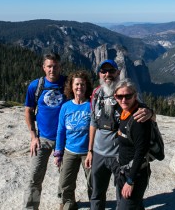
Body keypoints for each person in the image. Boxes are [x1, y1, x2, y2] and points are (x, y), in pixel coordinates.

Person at [85, 59, 154, 210]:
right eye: (104, 71)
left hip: (119, 156)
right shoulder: (97, 93)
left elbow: (143, 110)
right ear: (100, 74)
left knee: (122, 195)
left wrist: (150, 112)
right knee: (96, 192)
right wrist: (90, 150)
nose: (107, 74)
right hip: (98, 153)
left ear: (117, 73)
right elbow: (93, 122)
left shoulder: (125, 92)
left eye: (111, 71)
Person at [23, 53, 67, 209]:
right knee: (34, 177)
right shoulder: (36, 86)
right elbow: (28, 110)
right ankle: (30, 207)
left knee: (65, 177)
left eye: (55, 66)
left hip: (65, 139)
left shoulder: (69, 84)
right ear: (43, 67)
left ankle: (64, 204)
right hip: (42, 138)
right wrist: (33, 136)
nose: (52, 69)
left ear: (60, 67)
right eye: (49, 66)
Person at [54, 71, 93, 210]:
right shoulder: (65, 107)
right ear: (71, 86)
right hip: (69, 151)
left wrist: (92, 150)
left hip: (87, 152)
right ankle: (69, 203)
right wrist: (58, 152)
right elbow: (60, 131)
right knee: (65, 182)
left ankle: (94, 204)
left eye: (82, 84)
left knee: (92, 182)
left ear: (86, 86)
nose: (79, 87)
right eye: (77, 84)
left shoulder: (91, 106)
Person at [114, 79, 152, 210]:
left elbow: (141, 152)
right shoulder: (124, 111)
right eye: (120, 96)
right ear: (115, 97)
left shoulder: (139, 119)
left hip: (135, 175)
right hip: (123, 172)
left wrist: (131, 181)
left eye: (128, 96)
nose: (123, 100)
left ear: (135, 96)